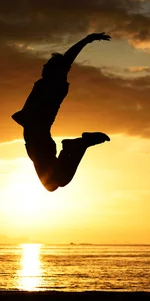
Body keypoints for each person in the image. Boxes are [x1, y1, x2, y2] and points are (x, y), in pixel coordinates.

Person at [12, 32, 111, 192]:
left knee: (57, 182)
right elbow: (66, 60)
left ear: (54, 70)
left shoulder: (52, 84)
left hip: (39, 141)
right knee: (53, 184)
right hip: (37, 141)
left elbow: (66, 60)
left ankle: (79, 144)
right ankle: (74, 146)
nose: (43, 67)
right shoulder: (46, 83)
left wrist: (86, 40)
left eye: (47, 65)